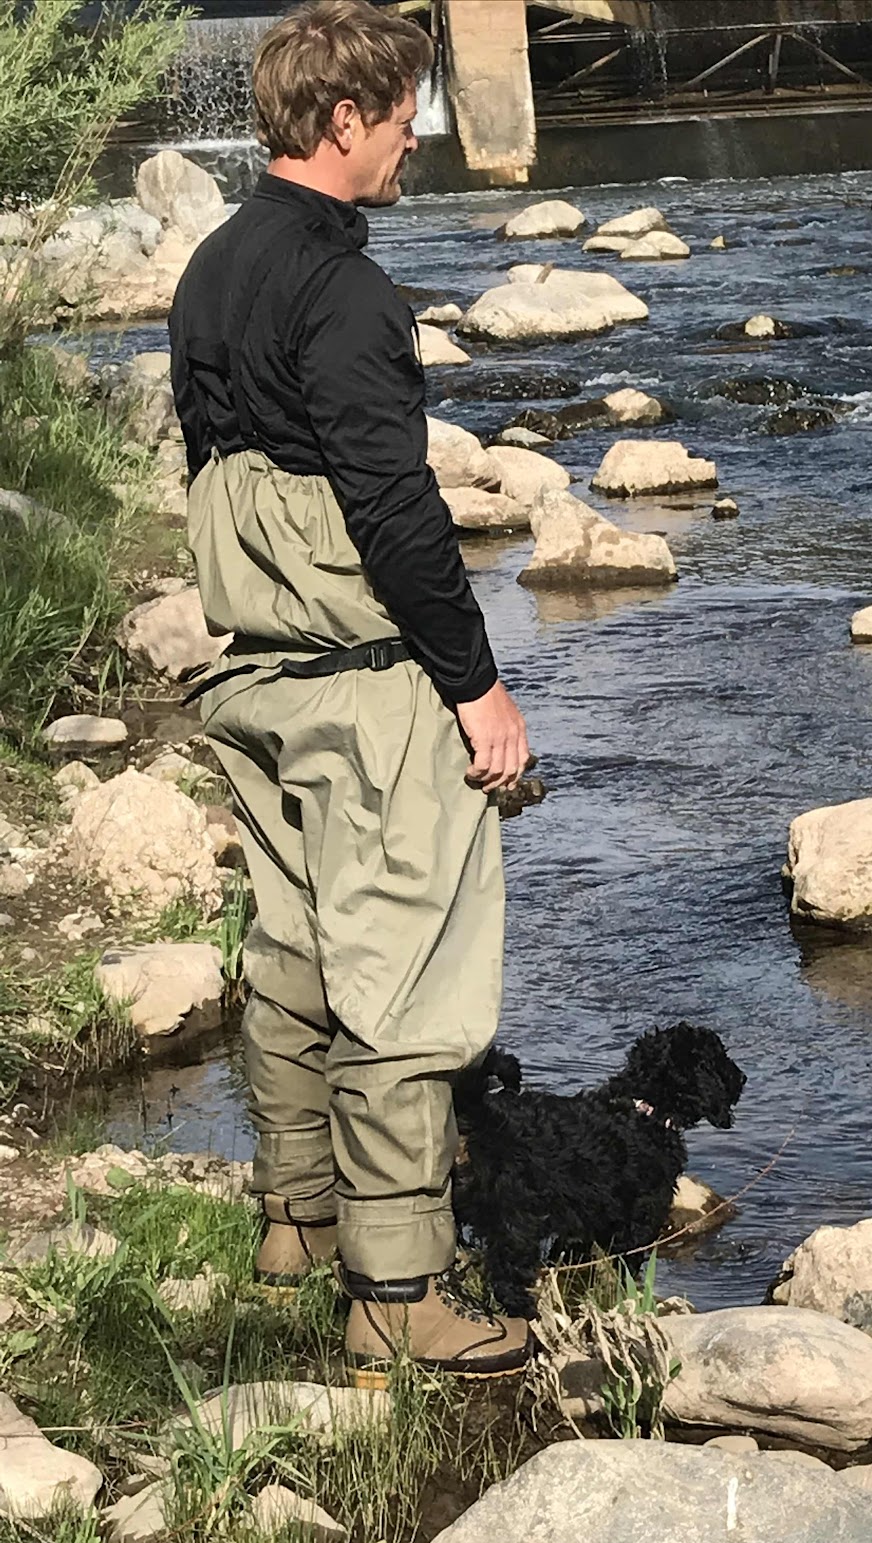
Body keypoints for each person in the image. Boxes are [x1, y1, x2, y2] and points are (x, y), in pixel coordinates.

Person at [168, 0, 532, 1386]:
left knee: (295, 957)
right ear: (342, 120)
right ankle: (397, 1299)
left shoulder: (211, 268)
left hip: (254, 675)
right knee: (402, 978)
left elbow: (220, 475)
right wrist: (478, 688)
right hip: (366, 682)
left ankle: (296, 1222)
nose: (413, 142)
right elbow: (392, 510)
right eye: (401, 117)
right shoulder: (348, 292)